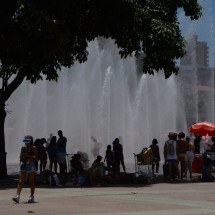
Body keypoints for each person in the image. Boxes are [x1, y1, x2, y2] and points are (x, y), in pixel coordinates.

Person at [12, 135, 38, 203]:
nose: (26, 143)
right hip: (24, 164)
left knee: (31, 182)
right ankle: (17, 197)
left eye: (27, 142)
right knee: (20, 181)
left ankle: (31, 197)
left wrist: (29, 156)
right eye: (25, 141)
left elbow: (36, 157)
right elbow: (20, 157)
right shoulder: (23, 148)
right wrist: (22, 156)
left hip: (31, 165)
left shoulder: (34, 148)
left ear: (31, 141)